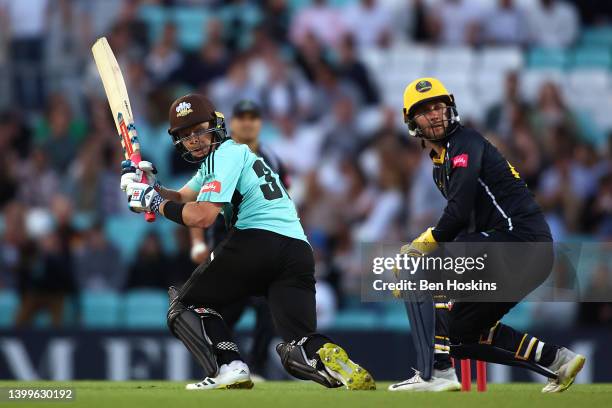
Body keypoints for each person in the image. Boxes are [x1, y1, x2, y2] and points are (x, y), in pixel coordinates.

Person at [120, 94, 375, 391]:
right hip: (297, 251)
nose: (194, 140)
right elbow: (184, 196)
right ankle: (331, 357)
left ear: (215, 125)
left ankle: (229, 366)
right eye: (186, 135)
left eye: (199, 129)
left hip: (257, 240)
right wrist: (149, 187)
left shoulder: (223, 157)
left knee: (185, 305)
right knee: (297, 344)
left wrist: (151, 202)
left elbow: (201, 216)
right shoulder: (233, 157)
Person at [388, 78, 585, 393]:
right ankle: (556, 359)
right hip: (520, 253)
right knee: (461, 334)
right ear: (412, 122)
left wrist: (420, 255)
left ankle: (435, 371)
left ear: (450, 108)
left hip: (519, 242)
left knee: (423, 262)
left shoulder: (465, 142)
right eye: (425, 111)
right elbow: (466, 226)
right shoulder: (441, 164)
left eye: (439, 106)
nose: (435, 114)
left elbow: (460, 212)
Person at [189, 100, 288, 380]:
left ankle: (254, 369)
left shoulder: (272, 158)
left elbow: (284, 200)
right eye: (241, 117)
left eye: (253, 117)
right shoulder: (218, 157)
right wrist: (198, 244)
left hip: (261, 240)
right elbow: (197, 206)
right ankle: (223, 365)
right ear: (232, 123)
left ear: (260, 123)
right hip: (226, 240)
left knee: (266, 307)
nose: (247, 123)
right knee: (220, 310)